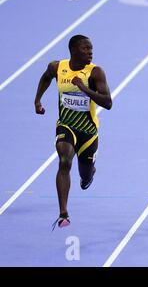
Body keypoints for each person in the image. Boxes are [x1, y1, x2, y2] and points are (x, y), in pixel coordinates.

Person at [34, 35, 112, 229]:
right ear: (74, 50)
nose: (90, 52)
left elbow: (108, 103)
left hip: (88, 131)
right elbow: (45, 78)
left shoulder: (95, 73)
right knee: (64, 160)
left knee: (84, 174)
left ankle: (89, 174)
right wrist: (37, 100)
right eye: (86, 49)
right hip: (66, 125)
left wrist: (84, 89)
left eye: (91, 48)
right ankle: (63, 213)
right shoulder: (57, 68)